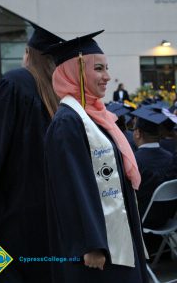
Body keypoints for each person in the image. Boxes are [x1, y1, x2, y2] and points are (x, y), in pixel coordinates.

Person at [44, 31, 149, 282]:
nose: (107, 77)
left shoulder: (95, 115)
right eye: (99, 69)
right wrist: (91, 243)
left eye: (107, 68)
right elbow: (72, 187)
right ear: (75, 72)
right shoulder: (68, 122)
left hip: (116, 231)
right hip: (98, 247)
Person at [0, 24, 64, 283]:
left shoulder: (15, 82)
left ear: (29, 53)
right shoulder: (60, 92)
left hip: (10, 220)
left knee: (0, 265)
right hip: (48, 217)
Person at [132, 107, 177, 255]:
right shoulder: (171, 157)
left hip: (143, 221)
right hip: (168, 220)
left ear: (138, 133)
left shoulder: (134, 162)